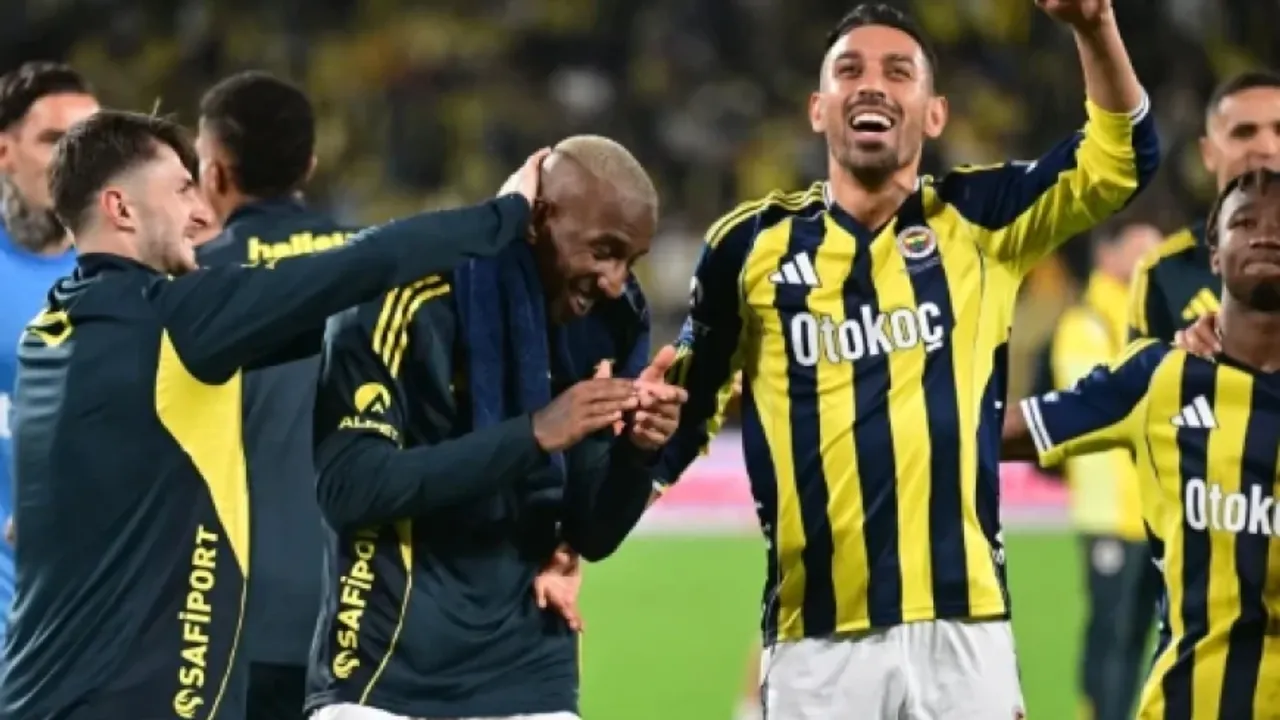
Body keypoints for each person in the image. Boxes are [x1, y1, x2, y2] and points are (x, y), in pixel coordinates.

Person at [652, 1, 1158, 717]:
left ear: (935, 113)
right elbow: (681, 418)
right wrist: (579, 536)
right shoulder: (750, 247)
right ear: (818, 108)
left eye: (899, 71)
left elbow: (1123, 158)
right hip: (815, 640)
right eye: (849, 69)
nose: (872, 84)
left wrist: (1094, 25)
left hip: (966, 633)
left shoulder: (982, 219)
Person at [1, 109, 546, 720]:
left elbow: (316, 318)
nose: (201, 213)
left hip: (33, 693)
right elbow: (358, 267)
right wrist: (505, 215)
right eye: (181, 191)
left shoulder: (50, 331)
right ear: (120, 208)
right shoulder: (172, 320)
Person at [305, 134, 685, 720]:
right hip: (388, 667)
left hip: (530, 671)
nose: (615, 280)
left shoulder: (605, 323)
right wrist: (533, 434)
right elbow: (348, 489)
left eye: (630, 261)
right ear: (538, 218)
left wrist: (636, 452)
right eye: (604, 250)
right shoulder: (405, 302)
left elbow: (591, 533)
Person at [1006, 167, 1280, 720]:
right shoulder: (1158, 376)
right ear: (1212, 255)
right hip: (1181, 701)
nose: (1264, 236)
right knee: (1111, 641)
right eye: (1244, 223)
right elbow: (1003, 430)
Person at [194, 71, 348, 720]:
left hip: (232, 619)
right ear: (309, 164)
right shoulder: (382, 270)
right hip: (369, 613)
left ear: (213, 173)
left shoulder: (192, 285)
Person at [1045, 222, 1162, 720]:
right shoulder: (1086, 322)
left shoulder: (1147, 318)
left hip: (1151, 510)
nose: (1153, 262)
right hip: (1109, 509)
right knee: (1111, 631)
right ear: (1107, 255)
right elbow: (1095, 408)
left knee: (1136, 634)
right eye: (1142, 252)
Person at [0, 60, 98, 634]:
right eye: (54, 140)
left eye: (89, 142)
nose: (75, 160)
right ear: (4, 152)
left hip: (92, 616)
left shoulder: (134, 277)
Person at [1129, 70, 1280, 342]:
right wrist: (1182, 362)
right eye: (1244, 132)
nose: (1267, 147)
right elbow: (1140, 370)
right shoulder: (1164, 271)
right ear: (1208, 153)